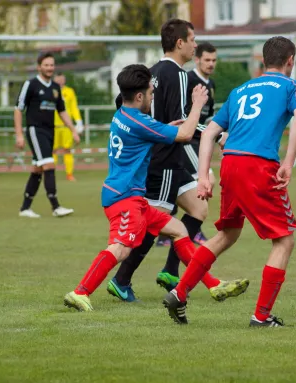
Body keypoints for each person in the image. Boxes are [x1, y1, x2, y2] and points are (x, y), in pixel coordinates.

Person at [162, 36, 296, 327]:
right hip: (258, 167)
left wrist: (203, 176)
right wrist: (288, 163)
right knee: (284, 241)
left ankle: (179, 292)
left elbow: (208, 133)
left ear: (263, 61)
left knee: (227, 234)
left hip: (230, 165)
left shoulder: (241, 89)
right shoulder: (292, 86)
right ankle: (261, 317)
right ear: (290, 60)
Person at [107, 19, 249, 303]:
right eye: (193, 39)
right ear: (180, 42)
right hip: (164, 159)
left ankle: (171, 270)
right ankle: (121, 279)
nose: (196, 44)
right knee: (152, 224)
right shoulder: (180, 76)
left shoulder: (151, 72)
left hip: (170, 159)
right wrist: (216, 135)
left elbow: (124, 104)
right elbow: (181, 127)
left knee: (198, 209)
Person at [63, 64, 216, 311]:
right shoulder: (139, 121)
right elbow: (187, 135)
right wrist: (197, 103)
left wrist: (169, 128)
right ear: (139, 96)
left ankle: (212, 284)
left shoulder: (123, 114)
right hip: (124, 198)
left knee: (179, 229)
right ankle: (80, 292)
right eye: (151, 93)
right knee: (120, 249)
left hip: (134, 199)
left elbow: (153, 132)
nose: (153, 97)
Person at [156, 41, 219, 248]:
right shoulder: (187, 78)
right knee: (206, 180)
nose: (211, 64)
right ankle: (187, 231)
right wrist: (216, 136)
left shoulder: (211, 85)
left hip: (197, 140)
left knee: (196, 187)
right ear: (198, 59)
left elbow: (207, 118)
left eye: (214, 60)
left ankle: (179, 231)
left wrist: (217, 130)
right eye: (207, 60)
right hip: (186, 142)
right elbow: (182, 118)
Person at [15, 52, 80, 218]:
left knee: (38, 168)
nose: (50, 68)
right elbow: (18, 109)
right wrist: (19, 135)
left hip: (50, 131)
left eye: (52, 65)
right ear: (39, 67)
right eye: (46, 65)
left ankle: (25, 208)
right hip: (35, 130)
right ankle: (56, 207)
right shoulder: (31, 84)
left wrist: (73, 130)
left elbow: (62, 111)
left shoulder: (56, 88)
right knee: (49, 164)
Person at [53, 72, 85, 182]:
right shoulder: (50, 90)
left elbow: (74, 107)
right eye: (58, 79)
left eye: (62, 79)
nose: (60, 81)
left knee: (67, 150)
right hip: (52, 126)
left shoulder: (69, 91)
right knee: (53, 151)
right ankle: (51, 174)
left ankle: (69, 174)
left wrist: (78, 121)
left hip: (67, 126)